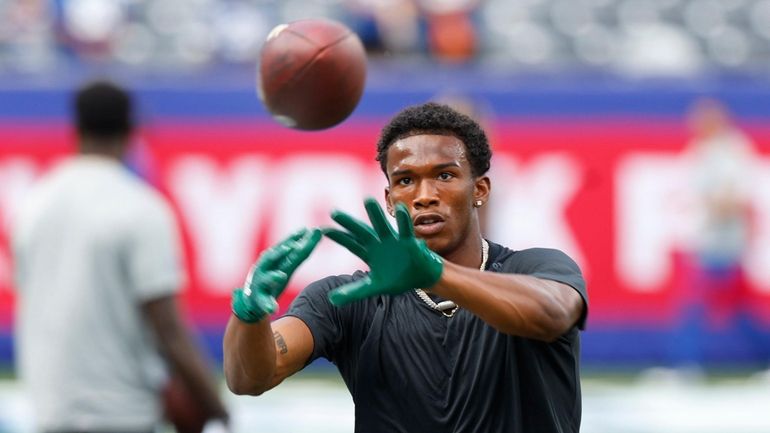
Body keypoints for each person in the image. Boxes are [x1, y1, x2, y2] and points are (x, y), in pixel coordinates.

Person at [223, 102, 588, 432]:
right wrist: (249, 314)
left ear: (480, 189)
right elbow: (249, 378)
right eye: (405, 180)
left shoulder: (536, 266)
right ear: (389, 198)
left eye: (444, 176)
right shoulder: (351, 299)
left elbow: (552, 314)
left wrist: (434, 274)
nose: (424, 194)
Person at [11, 80, 229, 433]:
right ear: (131, 132)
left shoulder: (34, 204)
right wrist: (216, 405)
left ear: (76, 129)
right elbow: (168, 328)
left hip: (51, 412)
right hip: (121, 412)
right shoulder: (141, 208)